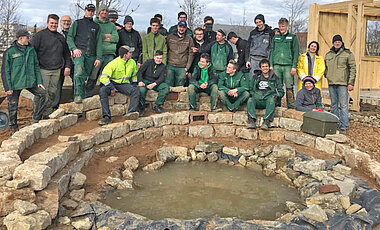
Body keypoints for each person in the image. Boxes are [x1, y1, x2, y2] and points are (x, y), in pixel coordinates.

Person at [1, 29, 47, 133]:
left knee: (43, 94)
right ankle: (13, 127)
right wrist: (8, 87)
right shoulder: (10, 52)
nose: (29, 39)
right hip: (15, 83)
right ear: (20, 38)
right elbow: (5, 71)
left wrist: (39, 81)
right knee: (12, 105)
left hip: (30, 82)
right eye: (27, 37)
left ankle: (36, 119)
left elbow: (36, 66)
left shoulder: (31, 50)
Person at [31, 14, 71, 117]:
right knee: (42, 93)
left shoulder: (60, 37)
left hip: (56, 70)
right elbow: (32, 53)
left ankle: (47, 113)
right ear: (47, 23)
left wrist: (67, 66)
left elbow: (66, 53)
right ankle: (37, 115)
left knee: (52, 93)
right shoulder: (39, 36)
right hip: (43, 69)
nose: (53, 25)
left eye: (55, 23)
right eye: (51, 23)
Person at [67, 3, 102, 103]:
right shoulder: (77, 23)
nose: (90, 13)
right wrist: (74, 48)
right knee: (79, 73)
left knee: (87, 76)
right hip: (80, 52)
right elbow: (70, 37)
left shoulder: (97, 26)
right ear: (85, 10)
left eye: (92, 11)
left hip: (91, 55)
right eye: (89, 10)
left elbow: (99, 43)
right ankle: (78, 96)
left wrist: (98, 57)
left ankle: (83, 97)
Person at [98, 45, 139, 125]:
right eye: (130, 52)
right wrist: (112, 87)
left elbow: (134, 75)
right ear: (125, 55)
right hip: (112, 83)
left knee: (135, 90)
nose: (132, 53)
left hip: (124, 84)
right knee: (102, 90)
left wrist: (134, 83)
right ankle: (107, 117)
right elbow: (103, 78)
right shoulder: (113, 63)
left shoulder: (132, 62)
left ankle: (131, 113)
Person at [325, 34, 356, 133]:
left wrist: (351, 82)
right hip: (331, 83)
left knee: (343, 105)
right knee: (333, 105)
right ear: (333, 43)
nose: (337, 43)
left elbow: (353, 69)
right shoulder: (328, 54)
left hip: (343, 83)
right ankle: (334, 124)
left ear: (341, 42)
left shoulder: (348, 54)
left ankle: (343, 126)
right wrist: (327, 75)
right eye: (335, 41)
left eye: (339, 41)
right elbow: (325, 68)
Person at [85, 5, 119, 97]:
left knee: (107, 76)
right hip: (97, 54)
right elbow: (95, 38)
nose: (104, 12)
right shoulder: (94, 23)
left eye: (106, 11)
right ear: (99, 12)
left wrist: (102, 37)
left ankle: (103, 95)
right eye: (102, 11)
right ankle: (88, 95)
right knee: (93, 75)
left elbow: (116, 38)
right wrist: (107, 36)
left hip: (109, 54)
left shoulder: (112, 25)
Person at [270, 17, 299, 109]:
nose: (281, 28)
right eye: (280, 26)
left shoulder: (293, 37)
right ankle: (277, 105)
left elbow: (296, 52)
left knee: (289, 86)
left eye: (283, 26)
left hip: (288, 66)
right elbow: (271, 51)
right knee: (277, 85)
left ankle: (291, 106)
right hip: (277, 65)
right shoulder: (275, 37)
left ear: (287, 26)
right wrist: (271, 65)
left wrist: (294, 66)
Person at [247, 59, 283, 130]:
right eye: (263, 66)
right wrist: (254, 94)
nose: (265, 68)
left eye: (266, 66)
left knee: (271, 100)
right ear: (260, 68)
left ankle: (266, 121)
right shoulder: (255, 77)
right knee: (250, 100)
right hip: (257, 98)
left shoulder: (275, 78)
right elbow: (250, 89)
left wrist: (275, 96)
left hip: (268, 99)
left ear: (269, 67)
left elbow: (281, 91)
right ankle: (251, 120)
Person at [137, 50, 168, 116]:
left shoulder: (163, 66)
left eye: (160, 58)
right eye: (157, 58)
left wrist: (154, 84)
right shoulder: (148, 62)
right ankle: (141, 108)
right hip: (145, 81)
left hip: (155, 83)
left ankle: (157, 105)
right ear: (154, 57)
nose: (159, 60)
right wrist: (140, 81)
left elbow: (162, 78)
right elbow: (140, 72)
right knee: (141, 90)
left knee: (165, 87)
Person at [53, 15, 74, 109]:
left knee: (77, 80)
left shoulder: (73, 33)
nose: (66, 23)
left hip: (73, 60)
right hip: (60, 61)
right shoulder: (57, 33)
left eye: (68, 21)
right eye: (64, 21)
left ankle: (75, 101)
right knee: (57, 83)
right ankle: (54, 105)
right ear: (61, 22)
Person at [166, 20, 194, 87]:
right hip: (170, 65)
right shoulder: (170, 37)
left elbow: (191, 54)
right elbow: (165, 50)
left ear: (186, 28)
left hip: (182, 67)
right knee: (168, 84)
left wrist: (187, 67)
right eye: (180, 26)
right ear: (177, 27)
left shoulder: (189, 39)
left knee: (180, 86)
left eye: (183, 27)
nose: (181, 29)